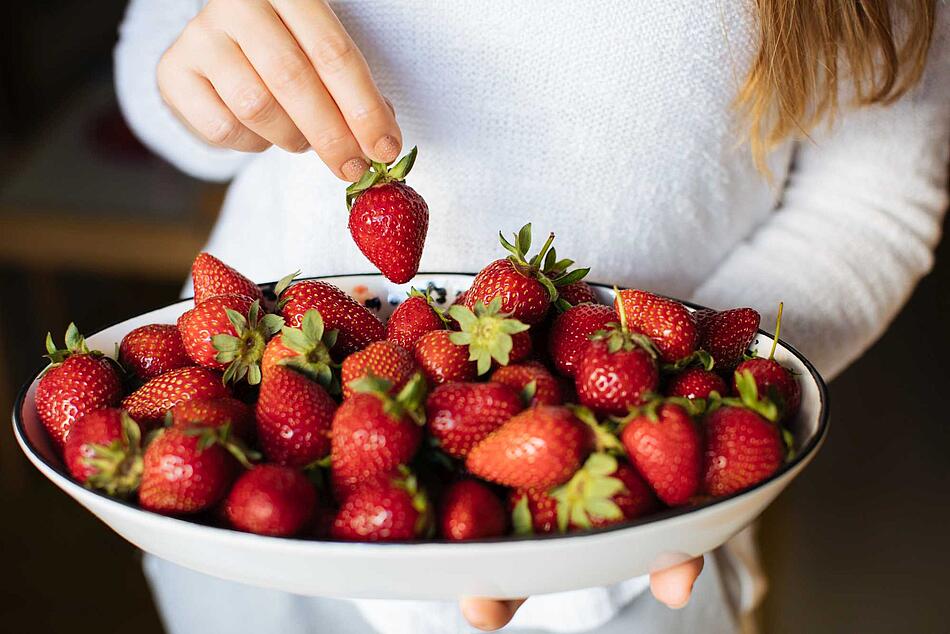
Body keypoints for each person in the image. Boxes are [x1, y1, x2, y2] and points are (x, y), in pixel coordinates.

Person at [114, 1, 948, 632]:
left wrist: (688, 412)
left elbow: (873, 203)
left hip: (608, 539)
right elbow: (156, 76)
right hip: (237, 476)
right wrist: (199, 68)